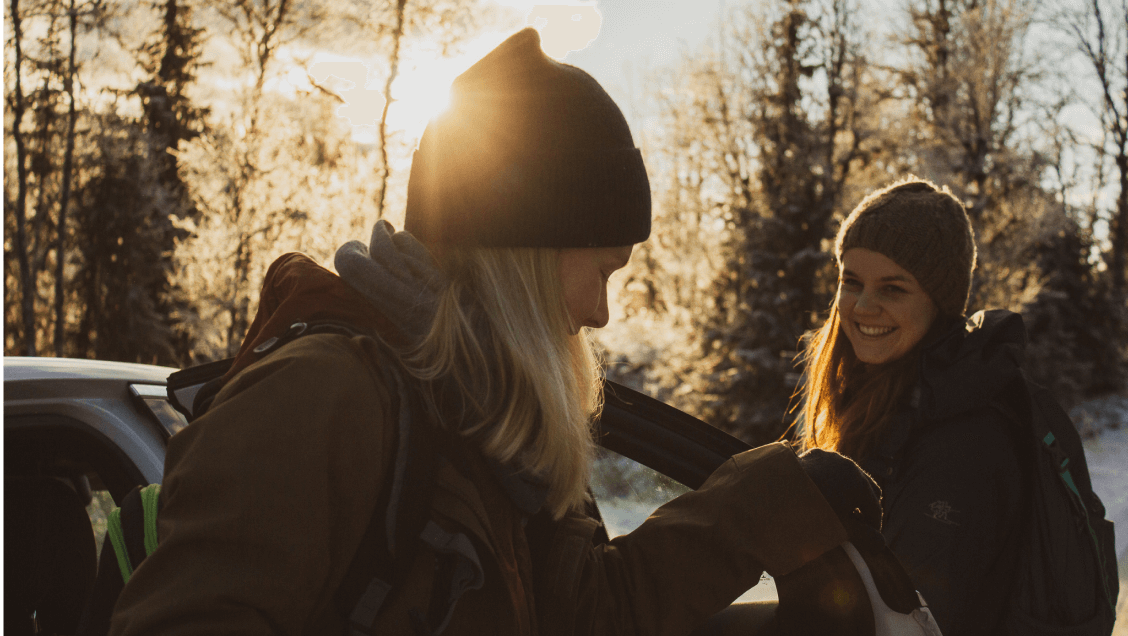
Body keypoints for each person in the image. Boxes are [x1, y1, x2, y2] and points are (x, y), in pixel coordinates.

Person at [106, 28, 884, 636]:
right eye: (603, 270)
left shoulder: (495, 421)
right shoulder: (322, 394)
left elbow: (584, 614)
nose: (601, 312)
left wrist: (763, 503)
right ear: (527, 258)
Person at [797, 177, 1028, 635]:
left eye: (893, 289)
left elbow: (910, 623)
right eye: (851, 282)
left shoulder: (962, 440)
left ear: (939, 303)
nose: (863, 306)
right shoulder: (880, 402)